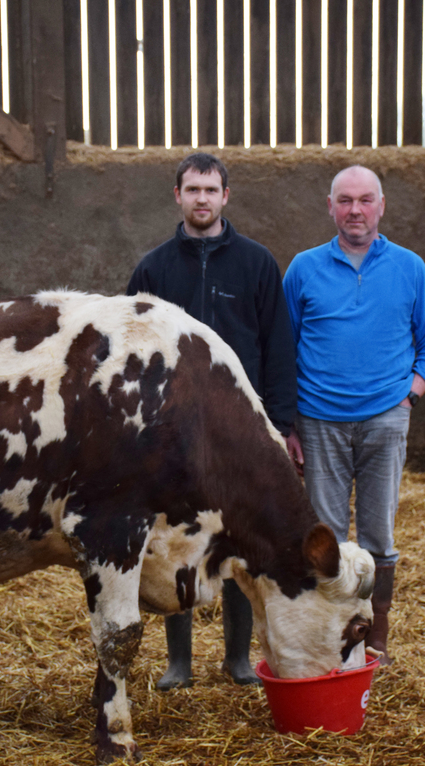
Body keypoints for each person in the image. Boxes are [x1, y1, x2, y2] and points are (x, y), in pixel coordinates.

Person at [127, 153, 297, 689]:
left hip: (241, 431)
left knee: (239, 541)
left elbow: (279, 347)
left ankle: (238, 658)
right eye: (192, 189)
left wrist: (282, 424)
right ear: (177, 196)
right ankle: (179, 662)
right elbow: (129, 347)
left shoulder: (257, 264)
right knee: (178, 539)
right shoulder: (154, 268)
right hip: (172, 432)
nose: (202, 199)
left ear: (227, 196)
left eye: (211, 190)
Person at [282, 165, 425, 666]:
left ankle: (376, 638)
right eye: (346, 200)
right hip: (318, 422)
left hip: (385, 420)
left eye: (365, 200)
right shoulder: (303, 269)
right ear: (330, 206)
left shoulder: (410, 268)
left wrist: (408, 398)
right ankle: (331, 639)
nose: (356, 210)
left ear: (382, 205)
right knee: (325, 537)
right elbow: (283, 349)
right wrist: (289, 423)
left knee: (378, 536)